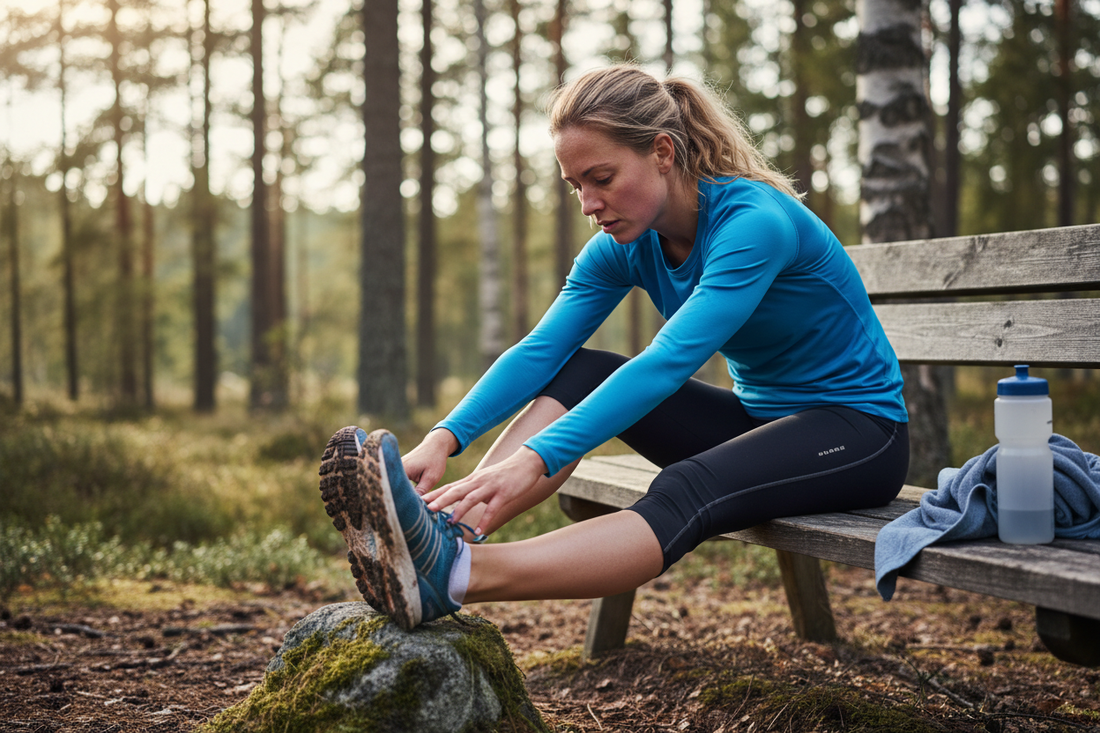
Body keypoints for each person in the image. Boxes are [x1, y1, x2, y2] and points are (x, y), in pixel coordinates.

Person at [318, 64, 910, 631]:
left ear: (662, 151)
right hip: (760, 424)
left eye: (601, 179)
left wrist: (538, 456)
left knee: (687, 486)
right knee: (582, 369)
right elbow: (541, 350)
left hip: (857, 435)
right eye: (576, 185)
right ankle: (443, 528)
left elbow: (668, 362)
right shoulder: (625, 242)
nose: (588, 204)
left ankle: (455, 576)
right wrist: (445, 437)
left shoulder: (753, 223)